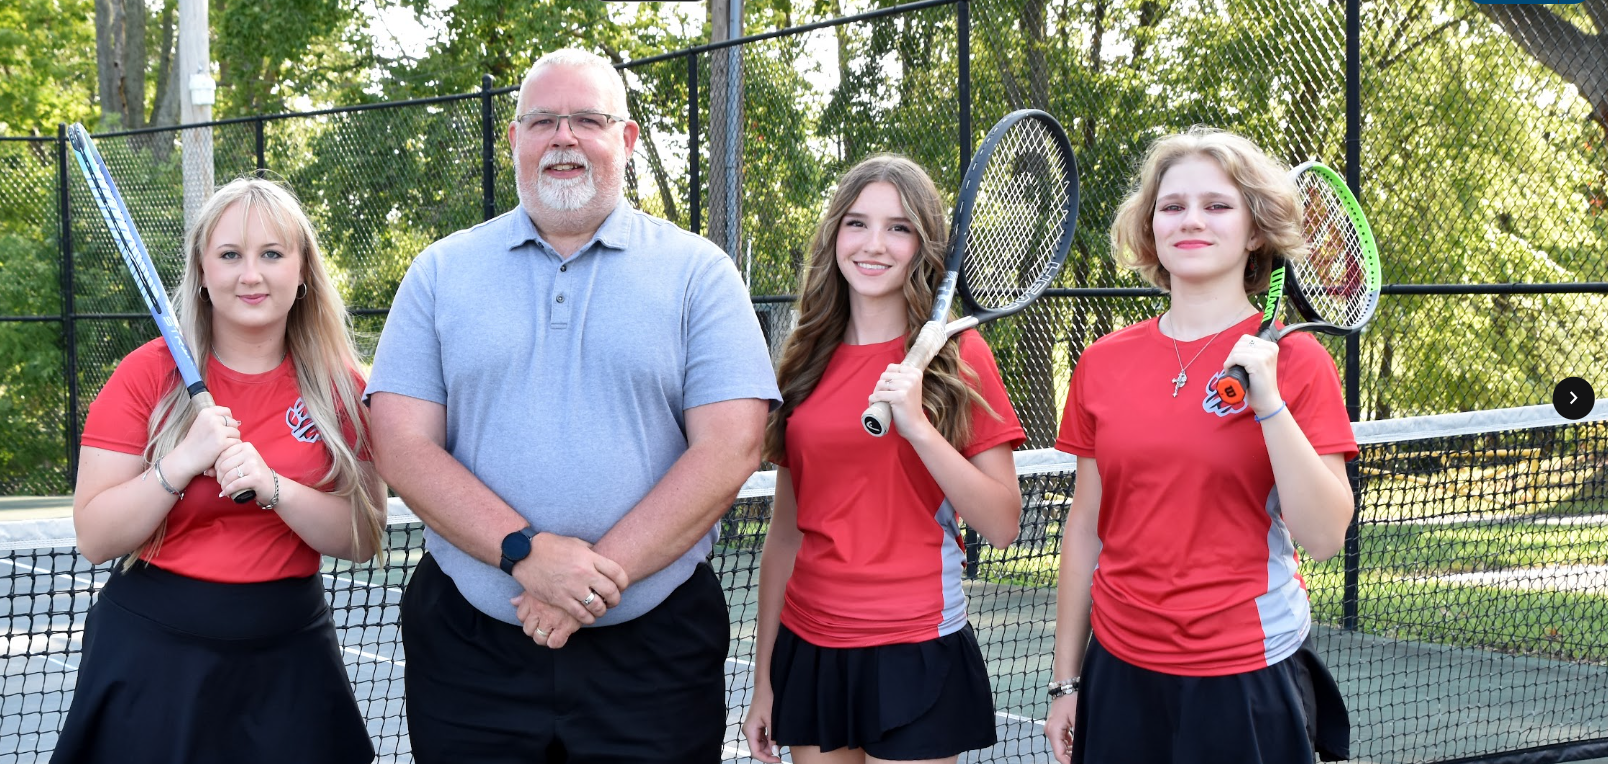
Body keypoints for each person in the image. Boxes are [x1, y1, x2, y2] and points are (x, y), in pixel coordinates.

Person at [365, 47, 780, 763]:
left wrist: (583, 582)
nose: (563, 136)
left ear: (626, 139)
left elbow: (732, 447)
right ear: (515, 139)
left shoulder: (700, 275)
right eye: (543, 120)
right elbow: (401, 444)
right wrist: (524, 554)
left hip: (655, 658)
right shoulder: (439, 271)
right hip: (468, 654)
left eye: (587, 119)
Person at [1043, 126, 1355, 764]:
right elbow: (1085, 527)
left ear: (1256, 231)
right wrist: (1065, 681)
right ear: (1151, 227)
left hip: (1246, 673)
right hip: (1121, 671)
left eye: (1217, 205)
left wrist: (1268, 402)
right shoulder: (1103, 362)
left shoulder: (1297, 362)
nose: (1191, 221)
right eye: (1172, 205)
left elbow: (1323, 537)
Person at [54, 177, 384, 764]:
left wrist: (275, 489)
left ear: (303, 269)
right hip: (153, 657)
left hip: (289, 655)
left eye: (272, 254)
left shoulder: (344, 387)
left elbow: (363, 537)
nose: (249, 275)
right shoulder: (146, 376)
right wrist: (181, 463)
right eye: (229, 255)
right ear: (202, 273)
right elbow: (94, 538)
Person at [740, 154, 1027, 764]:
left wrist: (919, 428)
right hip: (810, 644)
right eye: (857, 223)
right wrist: (765, 678)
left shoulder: (958, 357)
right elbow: (785, 534)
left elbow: (1002, 525)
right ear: (834, 235)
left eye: (899, 227)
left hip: (915, 643)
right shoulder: (803, 360)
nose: (874, 244)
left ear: (924, 247)